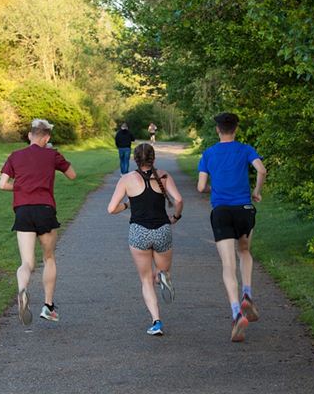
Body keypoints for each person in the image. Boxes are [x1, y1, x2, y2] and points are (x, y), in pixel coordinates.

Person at [0, 119, 77, 325]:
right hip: (45, 210)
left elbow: (2, 184)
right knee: (49, 258)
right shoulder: (52, 155)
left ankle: (22, 290)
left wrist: (23, 187)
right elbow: (72, 175)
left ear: (29, 135)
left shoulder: (15, 156)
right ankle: (48, 306)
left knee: (27, 262)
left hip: (23, 211)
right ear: (47, 137)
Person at [197, 112, 267, 342]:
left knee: (228, 264)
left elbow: (200, 187)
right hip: (244, 210)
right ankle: (248, 292)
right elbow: (262, 170)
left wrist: (215, 189)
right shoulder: (246, 149)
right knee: (244, 251)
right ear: (235, 129)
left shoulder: (208, 153)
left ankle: (237, 312)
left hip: (221, 211)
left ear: (218, 130)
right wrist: (256, 192)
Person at [107, 143, 183, 336]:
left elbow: (111, 209)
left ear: (135, 160)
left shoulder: (126, 179)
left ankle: (156, 321)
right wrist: (175, 217)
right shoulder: (164, 176)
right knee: (162, 270)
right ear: (153, 159)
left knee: (145, 279)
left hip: (139, 233)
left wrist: (128, 205)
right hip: (162, 230)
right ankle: (162, 275)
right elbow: (179, 200)